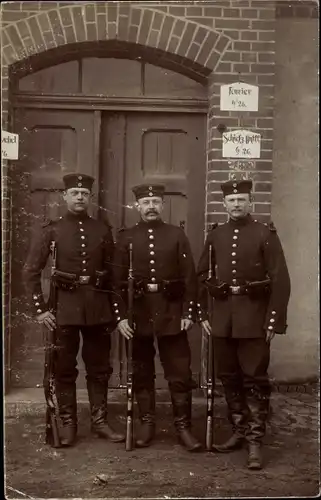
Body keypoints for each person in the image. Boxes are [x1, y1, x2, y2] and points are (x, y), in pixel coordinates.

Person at [23, 173, 125, 447]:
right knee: (64, 369)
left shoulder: (102, 230)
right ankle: (68, 424)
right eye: (74, 192)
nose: (79, 197)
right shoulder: (52, 230)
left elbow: (115, 274)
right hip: (63, 311)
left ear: (90, 198)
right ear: (65, 196)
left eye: (84, 193)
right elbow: (31, 271)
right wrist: (41, 309)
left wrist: (116, 311)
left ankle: (100, 421)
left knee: (99, 368)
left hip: (97, 309)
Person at [197, 179, 291, 470]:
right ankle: (238, 430)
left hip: (254, 320)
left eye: (241, 199)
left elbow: (281, 280)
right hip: (223, 320)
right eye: (231, 200)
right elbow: (201, 277)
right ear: (224, 204)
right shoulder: (215, 236)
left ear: (250, 201)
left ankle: (254, 441)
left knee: (254, 379)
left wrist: (273, 320)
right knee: (229, 377)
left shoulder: (264, 234)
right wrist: (203, 314)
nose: (236, 204)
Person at [113, 184, 202, 452]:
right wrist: (121, 318)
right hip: (138, 314)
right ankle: (147, 425)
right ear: (137, 206)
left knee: (179, 373)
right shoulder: (126, 238)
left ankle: (183, 428)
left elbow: (189, 276)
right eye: (146, 202)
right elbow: (117, 283)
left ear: (163, 205)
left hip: (171, 312)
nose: (151, 206)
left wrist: (188, 312)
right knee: (141, 372)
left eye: (155, 201)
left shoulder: (177, 235)